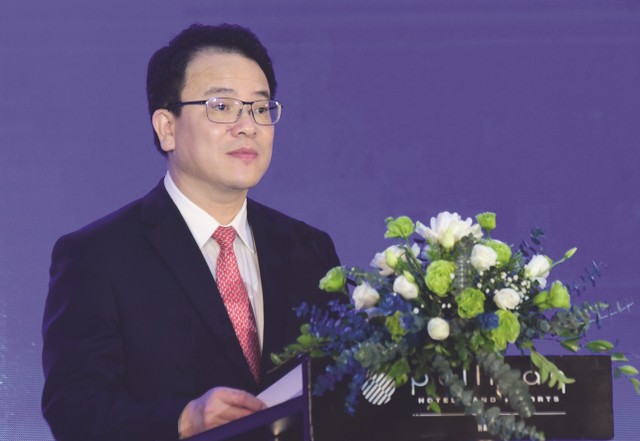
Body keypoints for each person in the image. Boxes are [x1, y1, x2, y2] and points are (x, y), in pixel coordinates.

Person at [41, 23, 340, 441]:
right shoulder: (98, 256)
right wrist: (182, 421)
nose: (248, 126)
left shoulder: (308, 248)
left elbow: (344, 391)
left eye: (260, 108)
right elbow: (74, 409)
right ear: (167, 127)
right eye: (222, 106)